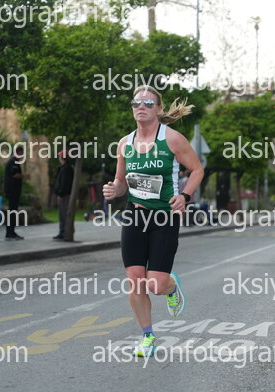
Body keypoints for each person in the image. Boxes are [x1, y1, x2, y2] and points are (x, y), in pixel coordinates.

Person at [102, 85, 203, 357]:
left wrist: (184, 196)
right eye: (137, 103)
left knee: (155, 284)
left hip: (164, 215)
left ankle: (171, 285)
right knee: (136, 280)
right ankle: (147, 336)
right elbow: (121, 182)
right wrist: (114, 190)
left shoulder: (172, 139)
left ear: (158, 109)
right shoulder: (125, 143)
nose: (141, 107)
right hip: (135, 214)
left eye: (148, 103)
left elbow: (197, 170)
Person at [4, 145, 30, 241]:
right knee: (12, 211)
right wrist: (25, 176)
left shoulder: (13, 161)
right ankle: (10, 232)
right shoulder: (14, 161)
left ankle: (11, 231)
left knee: (13, 211)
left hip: (13, 190)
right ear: (19, 152)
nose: (22, 156)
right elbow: (14, 175)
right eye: (22, 154)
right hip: (12, 190)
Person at [52, 150, 74, 240]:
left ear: (62, 157)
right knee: (62, 214)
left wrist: (60, 194)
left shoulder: (66, 168)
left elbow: (65, 183)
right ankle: (62, 232)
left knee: (64, 214)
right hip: (63, 195)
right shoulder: (64, 168)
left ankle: (65, 232)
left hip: (64, 195)